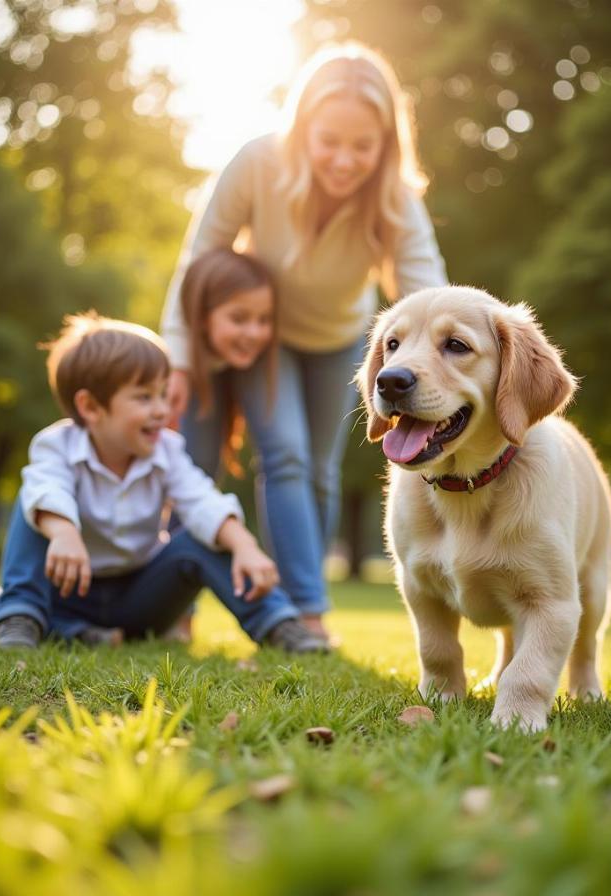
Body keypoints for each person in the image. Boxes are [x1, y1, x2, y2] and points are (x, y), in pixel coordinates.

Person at [161, 42, 448, 639]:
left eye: (362, 147)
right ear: (302, 130)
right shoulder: (258, 162)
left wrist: (455, 363)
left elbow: (428, 292)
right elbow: (201, 257)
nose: (344, 160)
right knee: (281, 454)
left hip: (340, 339)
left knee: (318, 471)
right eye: (329, 142)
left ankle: (301, 608)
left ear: (385, 145)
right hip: (260, 337)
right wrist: (180, 359)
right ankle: (188, 612)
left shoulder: (395, 196)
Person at [0, 313, 327, 653]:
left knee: (206, 537)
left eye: (162, 395)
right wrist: (63, 531)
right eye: (144, 397)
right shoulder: (56, 446)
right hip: (66, 593)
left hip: (141, 599)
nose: (161, 410)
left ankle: (278, 623)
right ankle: (34, 623)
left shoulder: (167, 452)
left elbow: (202, 501)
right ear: (91, 407)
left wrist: (245, 546)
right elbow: (48, 489)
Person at [165, 247, 278, 642]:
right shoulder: (174, 382)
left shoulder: (224, 374)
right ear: (202, 316)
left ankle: (179, 616)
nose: (254, 333)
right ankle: (176, 617)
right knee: (187, 499)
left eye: (264, 320)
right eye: (239, 318)